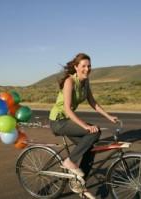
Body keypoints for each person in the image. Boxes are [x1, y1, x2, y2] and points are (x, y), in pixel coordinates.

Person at [49, 53, 118, 198]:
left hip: (68, 121)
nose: (87, 69)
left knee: (90, 150)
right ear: (76, 67)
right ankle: (69, 162)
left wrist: (109, 116)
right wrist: (85, 126)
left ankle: (79, 185)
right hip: (59, 121)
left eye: (89, 66)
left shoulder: (86, 82)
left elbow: (93, 103)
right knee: (94, 132)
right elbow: (67, 109)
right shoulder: (69, 81)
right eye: (84, 66)